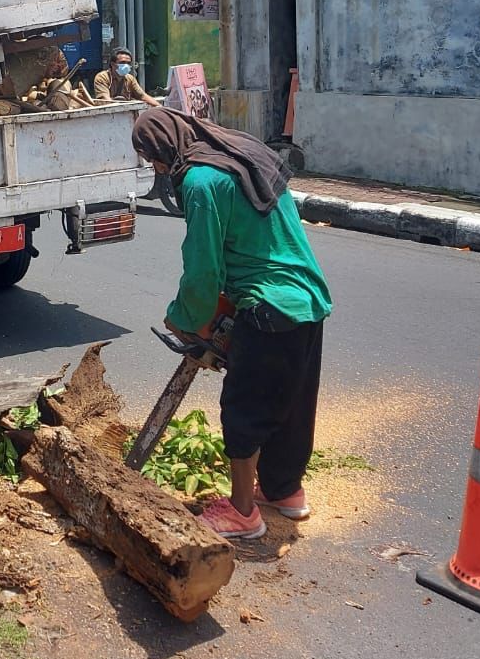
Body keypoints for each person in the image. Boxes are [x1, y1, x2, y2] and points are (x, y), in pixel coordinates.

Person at [131, 107, 332, 542]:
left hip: (266, 306)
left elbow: (204, 272)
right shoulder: (241, 155)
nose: (156, 168)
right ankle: (284, 492)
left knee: (244, 409)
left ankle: (243, 513)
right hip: (307, 298)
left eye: (152, 158)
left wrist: (184, 319)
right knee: (292, 403)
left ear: (164, 147)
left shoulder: (202, 182)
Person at [93, 47, 161, 107]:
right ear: (113, 64)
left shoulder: (130, 78)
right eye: (122, 62)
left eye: (128, 63)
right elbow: (106, 100)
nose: (126, 65)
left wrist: (159, 107)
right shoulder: (102, 77)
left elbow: (142, 96)